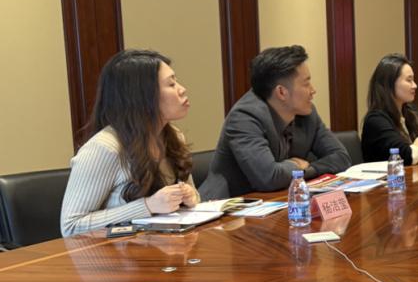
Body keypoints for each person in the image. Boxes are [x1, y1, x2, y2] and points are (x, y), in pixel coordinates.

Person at [61, 49, 198, 237]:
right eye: (171, 84)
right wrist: (147, 206)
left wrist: (190, 197)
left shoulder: (173, 136)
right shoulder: (104, 148)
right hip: (117, 252)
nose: (182, 90)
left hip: (167, 247)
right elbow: (71, 226)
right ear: (142, 96)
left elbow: (187, 203)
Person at [199, 45, 350, 199]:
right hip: (228, 207)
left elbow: (341, 157)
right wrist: (295, 166)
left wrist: (306, 170)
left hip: (278, 201)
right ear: (281, 92)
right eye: (306, 84)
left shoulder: (306, 113)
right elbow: (268, 177)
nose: (313, 90)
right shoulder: (245, 117)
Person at [361, 54, 418, 164]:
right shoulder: (375, 120)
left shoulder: (411, 111)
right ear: (389, 84)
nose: (415, 85)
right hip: (389, 175)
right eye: (409, 80)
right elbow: (407, 156)